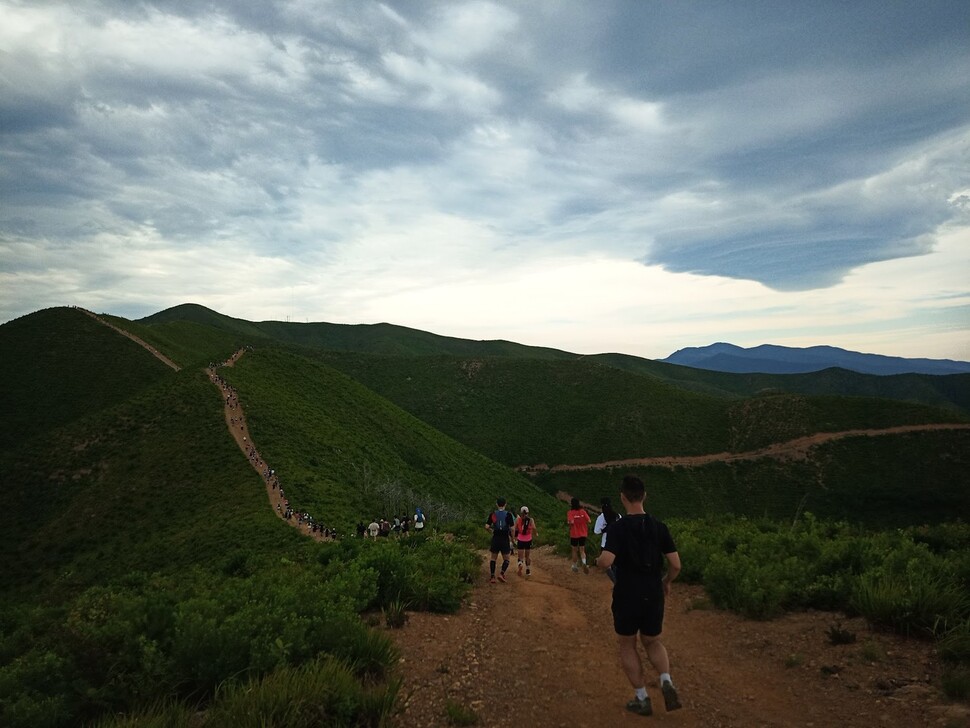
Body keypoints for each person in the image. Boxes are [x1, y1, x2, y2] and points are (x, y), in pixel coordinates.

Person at [596, 474, 682, 717]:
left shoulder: (618, 528)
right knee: (653, 641)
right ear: (644, 496)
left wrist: (598, 560)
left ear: (622, 497)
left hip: (627, 592)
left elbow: (606, 562)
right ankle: (666, 679)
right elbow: (676, 565)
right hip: (653, 591)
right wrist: (666, 582)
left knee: (627, 644)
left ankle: (642, 698)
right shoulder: (659, 526)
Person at [485, 497, 515, 583]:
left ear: (497, 504)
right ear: (505, 504)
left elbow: (487, 526)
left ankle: (492, 577)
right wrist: (512, 539)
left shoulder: (493, 514)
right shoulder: (508, 514)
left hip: (496, 537)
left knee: (493, 558)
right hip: (505, 538)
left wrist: (492, 531)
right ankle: (501, 574)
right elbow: (512, 528)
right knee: (506, 558)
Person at [594, 496, 621, 583]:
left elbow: (596, 531)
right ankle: (619, 582)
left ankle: (616, 583)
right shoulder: (618, 515)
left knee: (607, 566)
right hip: (618, 543)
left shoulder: (601, 517)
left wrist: (604, 529)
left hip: (605, 544)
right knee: (616, 564)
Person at [567, 496, 592, 573]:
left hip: (574, 534)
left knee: (574, 550)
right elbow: (589, 521)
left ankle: (574, 566)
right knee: (582, 550)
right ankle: (584, 563)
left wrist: (570, 523)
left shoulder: (570, 513)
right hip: (583, 533)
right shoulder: (583, 511)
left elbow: (571, 522)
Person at [514, 506, 538, 577]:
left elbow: (515, 529)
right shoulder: (531, 520)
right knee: (527, 556)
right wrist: (536, 533)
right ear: (528, 512)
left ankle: (520, 564)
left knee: (520, 556)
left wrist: (515, 537)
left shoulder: (518, 520)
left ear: (521, 512)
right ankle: (528, 570)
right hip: (528, 539)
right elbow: (534, 528)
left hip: (520, 539)